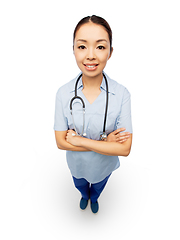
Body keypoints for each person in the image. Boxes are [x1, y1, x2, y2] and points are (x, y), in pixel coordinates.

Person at [54, 15, 133, 214]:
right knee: (80, 185)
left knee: (98, 188)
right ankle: (84, 195)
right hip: (77, 165)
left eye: (100, 47)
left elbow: (124, 149)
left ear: (110, 52)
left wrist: (79, 141)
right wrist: (106, 144)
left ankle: (94, 197)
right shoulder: (63, 94)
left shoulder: (122, 94)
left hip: (103, 167)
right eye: (82, 46)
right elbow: (60, 143)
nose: (91, 55)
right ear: (73, 50)